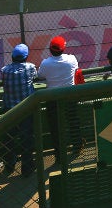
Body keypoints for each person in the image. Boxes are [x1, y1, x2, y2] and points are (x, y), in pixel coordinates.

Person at [36, 35, 84, 163]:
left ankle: (59, 155)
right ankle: (77, 146)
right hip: (70, 95)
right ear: (63, 49)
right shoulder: (72, 59)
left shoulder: (45, 63)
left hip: (53, 98)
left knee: (55, 127)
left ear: (50, 49)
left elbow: (40, 76)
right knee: (73, 121)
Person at [0, 43, 38, 177]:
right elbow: (35, 77)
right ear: (26, 57)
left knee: (9, 139)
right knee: (27, 139)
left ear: (12, 57)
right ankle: (27, 168)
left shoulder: (4, 70)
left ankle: (9, 166)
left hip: (9, 110)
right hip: (26, 110)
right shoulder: (30, 68)